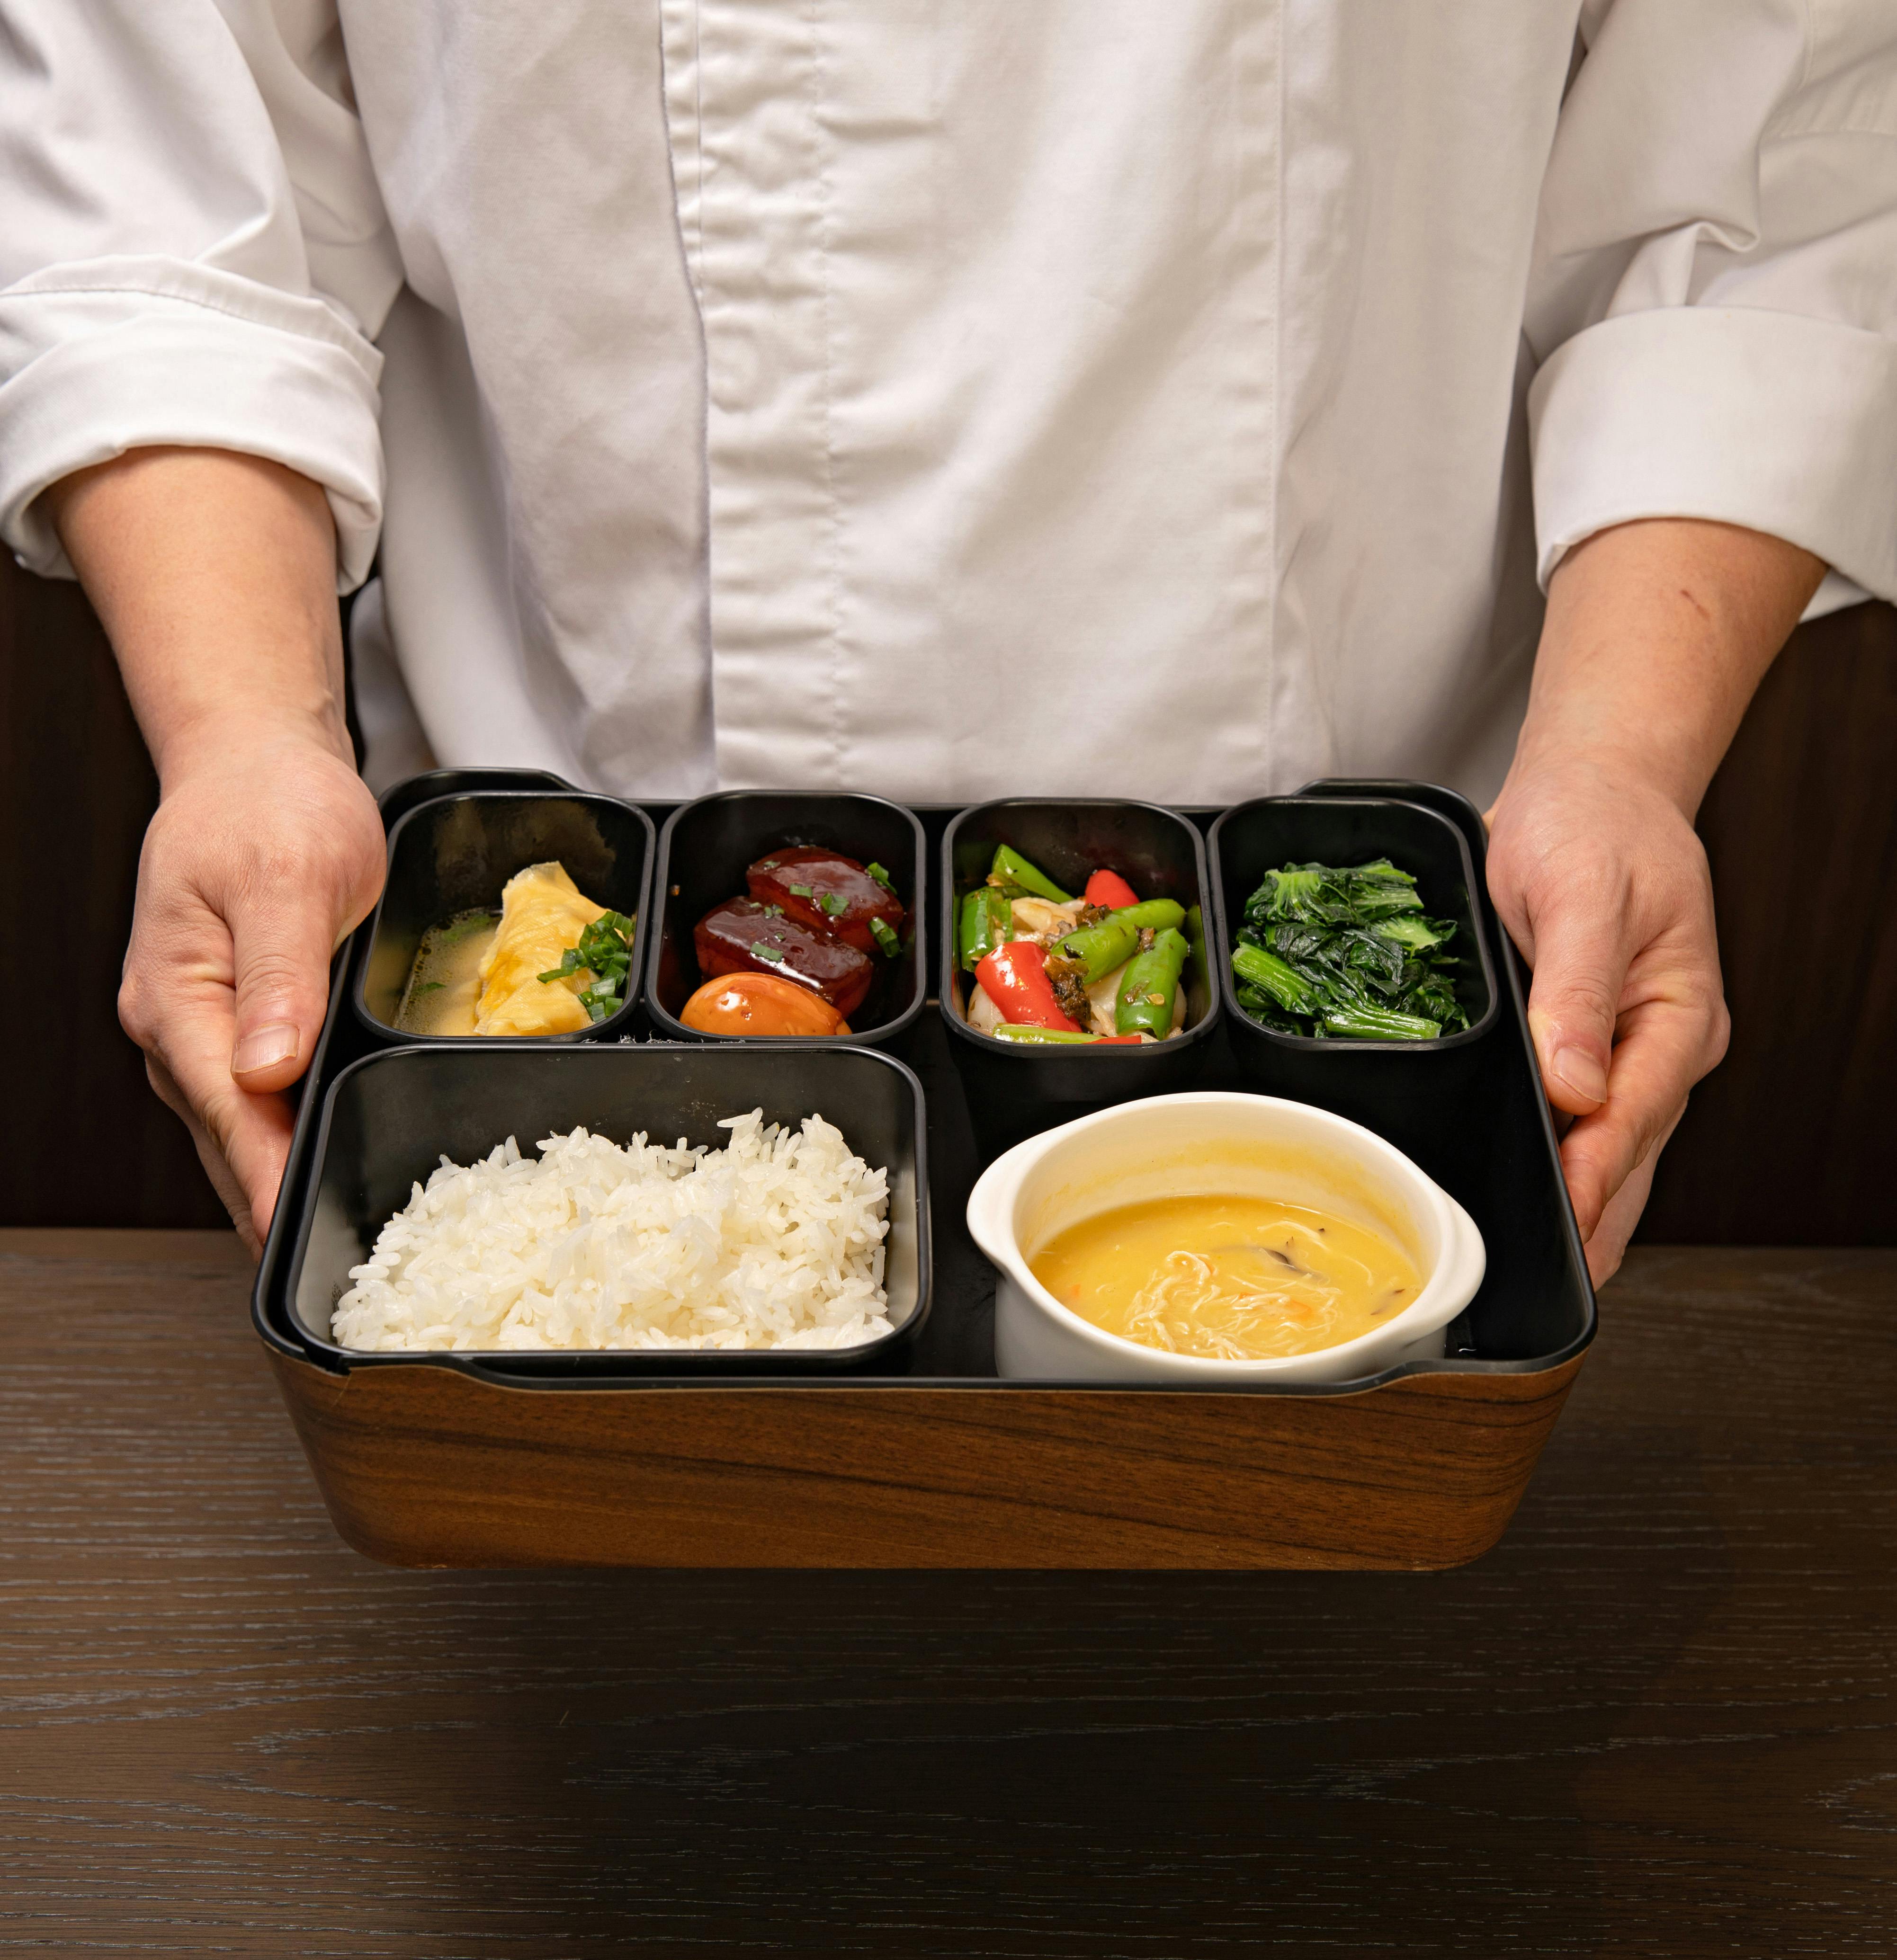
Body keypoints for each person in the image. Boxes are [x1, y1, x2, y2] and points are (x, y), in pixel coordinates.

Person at [4, 4, 1892, 1280]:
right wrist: (247, 741)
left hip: (1374, 948)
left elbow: (1769, 157)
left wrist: (1616, 767)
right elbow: (174, 163)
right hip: (560, 979)